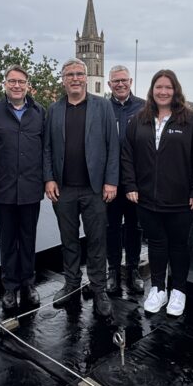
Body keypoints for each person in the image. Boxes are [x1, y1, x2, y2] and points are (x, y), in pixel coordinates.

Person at [121, 70, 193, 317]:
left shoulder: (190, 121)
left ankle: (178, 290)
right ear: (152, 90)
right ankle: (158, 288)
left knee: (179, 246)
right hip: (147, 199)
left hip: (181, 200)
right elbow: (127, 156)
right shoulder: (139, 120)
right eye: (159, 87)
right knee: (157, 245)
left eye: (168, 87)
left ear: (175, 90)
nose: (163, 92)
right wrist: (131, 185)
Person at [43, 58, 119, 318]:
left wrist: (111, 181)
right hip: (63, 189)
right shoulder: (53, 110)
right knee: (69, 240)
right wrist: (49, 178)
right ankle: (72, 283)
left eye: (79, 74)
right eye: (69, 75)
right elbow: (47, 148)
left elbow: (113, 146)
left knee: (97, 241)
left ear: (86, 78)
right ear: (63, 80)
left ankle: (99, 289)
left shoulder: (103, 106)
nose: (74, 78)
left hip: (95, 189)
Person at [0, 65, 47, 311]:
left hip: (30, 188)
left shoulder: (40, 112)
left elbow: (46, 150)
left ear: (28, 84)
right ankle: (9, 287)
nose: (17, 85)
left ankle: (28, 285)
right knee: (8, 241)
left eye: (21, 81)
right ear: (5, 84)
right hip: (3, 190)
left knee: (28, 239)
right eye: (12, 81)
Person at [106, 65, 146, 295]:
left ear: (130, 82)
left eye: (124, 80)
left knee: (134, 228)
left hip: (135, 183)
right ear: (109, 84)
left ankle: (132, 270)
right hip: (110, 182)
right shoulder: (102, 107)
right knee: (111, 228)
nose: (120, 84)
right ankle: (112, 271)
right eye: (115, 81)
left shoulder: (143, 107)